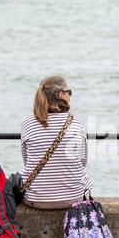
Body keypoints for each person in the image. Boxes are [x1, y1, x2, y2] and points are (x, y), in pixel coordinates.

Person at [21, 75, 92, 209]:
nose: (70, 96)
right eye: (69, 92)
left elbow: (27, 159)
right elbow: (83, 162)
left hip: (35, 198)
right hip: (73, 197)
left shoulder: (28, 123)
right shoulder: (77, 123)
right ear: (61, 94)